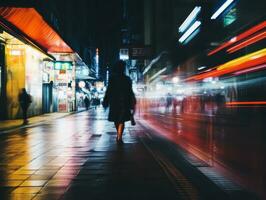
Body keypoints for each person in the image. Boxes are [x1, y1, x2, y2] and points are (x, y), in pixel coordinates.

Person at [103, 60, 136, 144]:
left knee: (118, 119)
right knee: (121, 120)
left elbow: (109, 90)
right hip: (124, 102)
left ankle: (119, 136)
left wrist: (106, 100)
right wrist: (132, 101)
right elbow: (130, 91)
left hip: (115, 102)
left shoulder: (112, 78)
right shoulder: (127, 79)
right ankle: (119, 136)